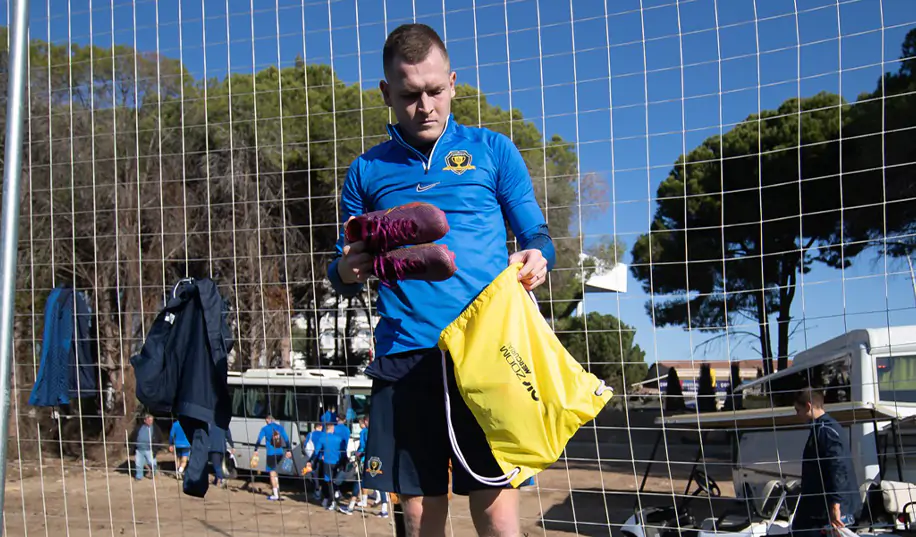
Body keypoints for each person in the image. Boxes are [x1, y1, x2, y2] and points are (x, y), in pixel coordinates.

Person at [327, 23, 554, 537]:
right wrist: (347, 268)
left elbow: (538, 235)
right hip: (406, 354)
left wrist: (538, 257)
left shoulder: (493, 151)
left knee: (496, 510)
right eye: (409, 95)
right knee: (419, 515)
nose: (425, 105)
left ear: (452, 82)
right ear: (387, 93)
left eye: (435, 90)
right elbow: (341, 268)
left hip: (488, 352)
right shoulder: (365, 172)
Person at [792, 388, 861, 537]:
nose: (797, 415)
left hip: (827, 509)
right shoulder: (824, 428)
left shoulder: (826, 430)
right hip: (822, 506)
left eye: (798, 410)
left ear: (809, 406)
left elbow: (838, 467)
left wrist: (836, 505)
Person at [253, 415, 292, 501]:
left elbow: (259, 440)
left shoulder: (265, 428)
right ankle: (277, 491)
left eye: (265, 420)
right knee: (275, 472)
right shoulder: (280, 428)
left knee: (272, 473)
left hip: (271, 453)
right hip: (280, 453)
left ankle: (275, 494)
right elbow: (286, 439)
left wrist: (255, 449)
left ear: (268, 419)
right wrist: (289, 450)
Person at [315, 421, 347, 511]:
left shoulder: (322, 438)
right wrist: (344, 462)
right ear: (332, 429)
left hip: (327, 463)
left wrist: (313, 461)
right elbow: (344, 452)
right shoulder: (339, 439)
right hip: (337, 462)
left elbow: (316, 451)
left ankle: (332, 501)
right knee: (335, 481)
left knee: (329, 482)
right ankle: (336, 493)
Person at [208, 422, 235, 489]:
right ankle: (216, 480)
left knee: (216, 465)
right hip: (222, 448)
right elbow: (228, 436)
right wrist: (232, 446)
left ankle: (221, 479)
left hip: (214, 448)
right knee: (219, 465)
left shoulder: (210, 424)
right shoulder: (224, 424)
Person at [134, 414, 158, 481]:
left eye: (151, 420)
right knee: (138, 464)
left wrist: (155, 449)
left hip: (149, 449)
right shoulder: (139, 427)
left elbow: (158, 438)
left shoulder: (155, 428)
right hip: (139, 449)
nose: (150, 421)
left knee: (152, 463)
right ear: (145, 420)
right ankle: (138, 477)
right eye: (149, 420)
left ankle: (153, 473)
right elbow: (134, 436)